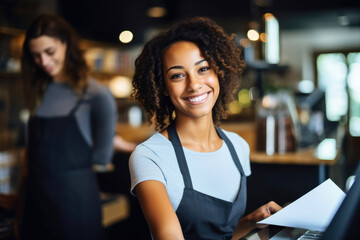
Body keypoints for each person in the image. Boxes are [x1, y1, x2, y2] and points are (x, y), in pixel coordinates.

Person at [129, 16, 282, 240]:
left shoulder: (238, 147)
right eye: (178, 75)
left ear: (218, 72)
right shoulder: (150, 156)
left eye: (203, 69)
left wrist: (250, 222)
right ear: (162, 87)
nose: (194, 85)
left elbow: (223, 235)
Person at [19, 13, 117, 240]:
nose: (43, 61)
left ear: (66, 44)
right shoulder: (36, 93)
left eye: (49, 52)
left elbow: (103, 157)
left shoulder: (96, 94)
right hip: (35, 206)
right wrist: (20, 210)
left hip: (75, 209)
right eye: (36, 56)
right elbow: (30, 157)